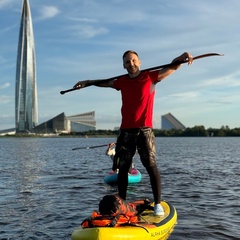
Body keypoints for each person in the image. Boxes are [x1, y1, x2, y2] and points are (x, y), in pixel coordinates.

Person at [73, 50, 193, 215]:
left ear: (139, 62)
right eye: (128, 62)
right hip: (126, 131)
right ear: (124, 66)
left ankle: (158, 204)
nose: (131, 64)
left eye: (134, 61)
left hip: (144, 131)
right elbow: (104, 82)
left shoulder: (150, 77)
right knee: (123, 168)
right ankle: (122, 204)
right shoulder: (121, 81)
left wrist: (181, 58)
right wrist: (86, 82)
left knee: (150, 165)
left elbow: (171, 67)